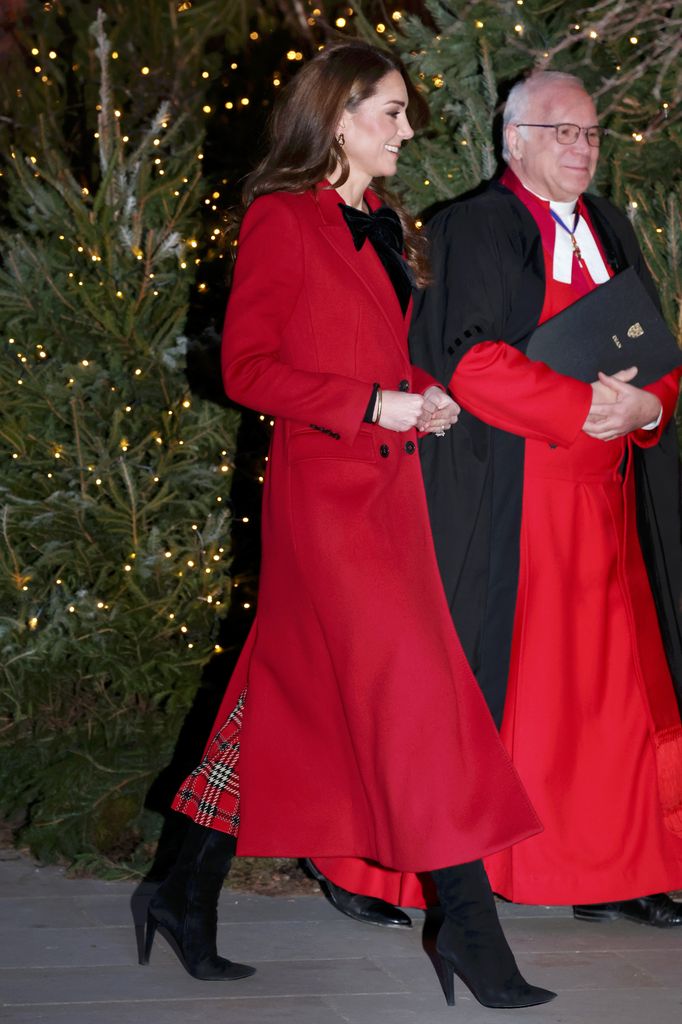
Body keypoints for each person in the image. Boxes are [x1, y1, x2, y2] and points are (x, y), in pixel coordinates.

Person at [139, 43, 556, 1009]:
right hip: (327, 504)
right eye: (392, 112)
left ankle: (180, 891)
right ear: (338, 117)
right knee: (420, 694)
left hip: (386, 497)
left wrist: (421, 396)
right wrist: (373, 405)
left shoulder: (380, 221)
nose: (409, 131)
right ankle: (468, 923)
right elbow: (247, 369)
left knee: (277, 695)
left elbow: (372, 350)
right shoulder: (282, 220)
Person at [314, 69, 682, 927]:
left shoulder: (613, 227)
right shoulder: (471, 228)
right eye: (562, 132)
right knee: (463, 690)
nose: (581, 149)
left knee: (602, 703)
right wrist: (584, 406)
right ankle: (371, 867)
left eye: (591, 134)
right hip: (505, 501)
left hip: (604, 511)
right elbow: (467, 358)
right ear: (513, 139)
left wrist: (651, 404)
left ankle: (604, 868)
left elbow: (656, 343)